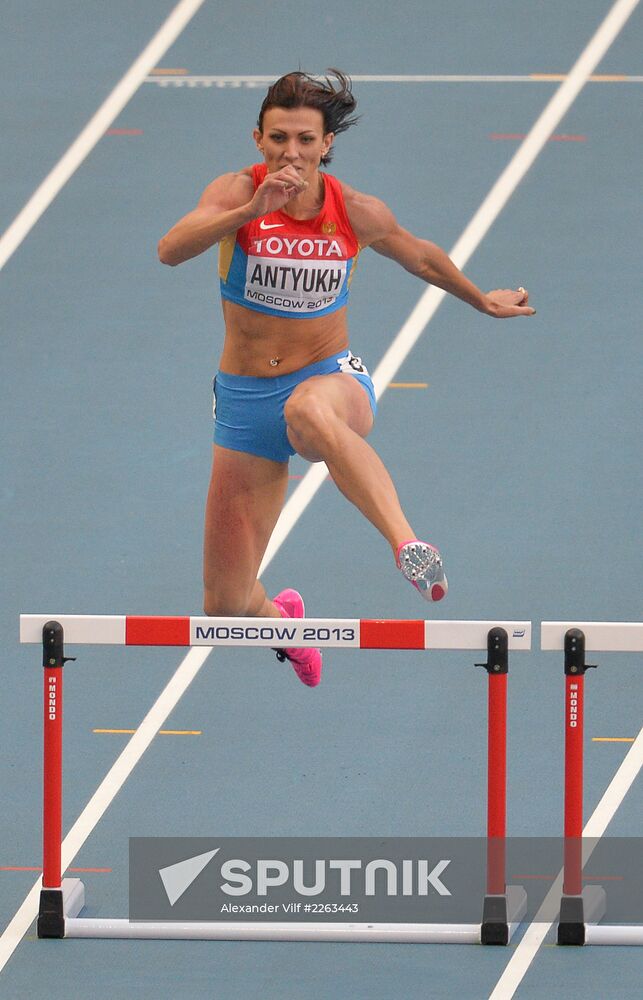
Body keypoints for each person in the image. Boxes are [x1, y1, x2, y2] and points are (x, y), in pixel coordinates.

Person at [158, 70, 535, 688]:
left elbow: (419, 255)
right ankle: (286, 625)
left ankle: (408, 545)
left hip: (329, 380)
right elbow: (170, 249)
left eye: (306, 140)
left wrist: (481, 299)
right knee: (225, 606)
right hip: (245, 401)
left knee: (307, 412)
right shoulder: (235, 192)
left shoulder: (354, 211)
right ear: (258, 140)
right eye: (279, 138)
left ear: (326, 144)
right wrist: (251, 211)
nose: (291, 152)